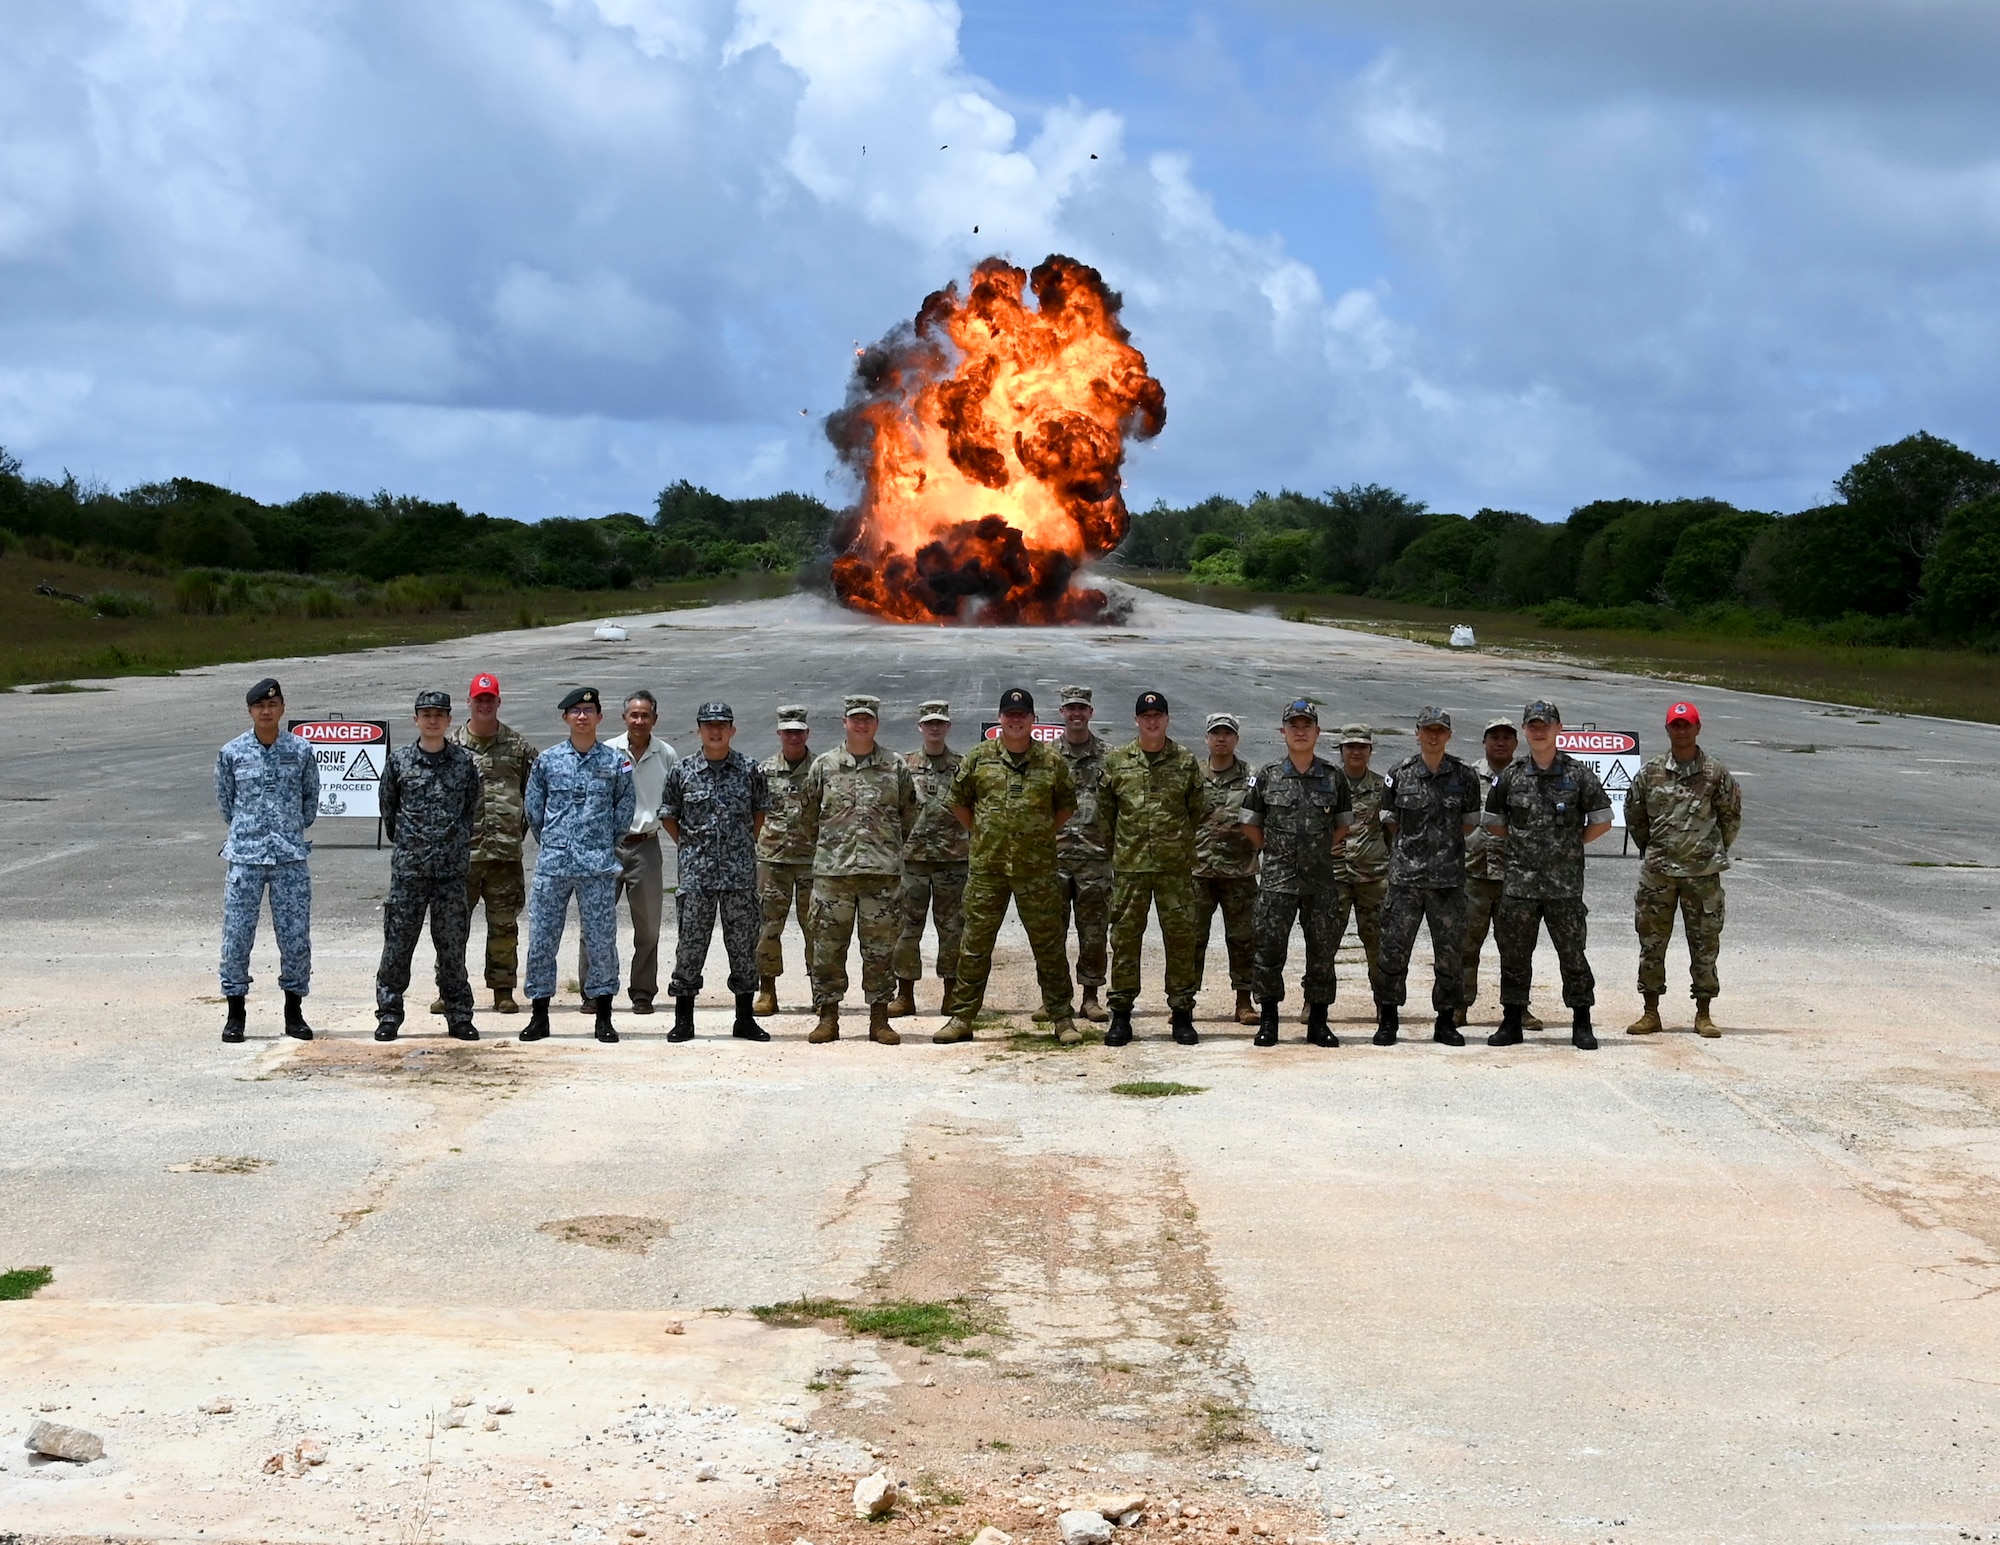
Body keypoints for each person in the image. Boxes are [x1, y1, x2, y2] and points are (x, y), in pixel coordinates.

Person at [938, 688, 1082, 1045]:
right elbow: (958, 802)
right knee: (974, 944)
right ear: (1000, 718)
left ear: (1033, 719)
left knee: (1048, 944)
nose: (1015, 719)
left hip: (1037, 870)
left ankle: (1062, 1018)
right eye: (1009, 713)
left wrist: (1041, 833)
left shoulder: (1051, 761)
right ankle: (962, 1017)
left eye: (1022, 714)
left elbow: (1066, 806)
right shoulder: (979, 758)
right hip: (989, 869)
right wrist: (981, 831)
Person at [1482, 701, 1613, 1051]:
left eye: (1546, 724)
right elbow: (1494, 823)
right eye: (1533, 725)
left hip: (1564, 886)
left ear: (1559, 728)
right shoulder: (1511, 775)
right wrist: (1526, 846)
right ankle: (1512, 1021)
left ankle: (1582, 1021)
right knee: (1514, 956)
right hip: (1520, 885)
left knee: (1573, 954)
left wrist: (1569, 844)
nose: (1539, 730)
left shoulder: (1577, 775)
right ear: (1525, 730)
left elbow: (1602, 821)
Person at [519, 688, 636, 1045]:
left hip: (597, 865)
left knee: (601, 941)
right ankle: (540, 1015)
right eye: (575, 711)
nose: (582, 716)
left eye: (589, 710)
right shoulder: (548, 761)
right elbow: (534, 811)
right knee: (542, 940)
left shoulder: (617, 762)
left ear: (600, 717)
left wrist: (600, 844)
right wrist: (556, 843)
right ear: (565, 718)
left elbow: (624, 810)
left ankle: (603, 1015)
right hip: (554, 864)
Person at [800, 694, 918, 1045]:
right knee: (827, 949)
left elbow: (909, 815)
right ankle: (828, 1016)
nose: (861, 724)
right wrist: (832, 850)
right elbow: (808, 818)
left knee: (881, 950)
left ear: (876, 724)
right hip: (834, 875)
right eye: (855, 719)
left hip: (881, 875)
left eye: (868, 719)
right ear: (845, 722)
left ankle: (879, 1019)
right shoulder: (824, 765)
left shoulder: (894, 766)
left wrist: (886, 849)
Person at [1625, 700, 1743, 1038]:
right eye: (1675, 725)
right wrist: (1653, 850)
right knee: (1651, 942)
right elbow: (1635, 817)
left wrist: (1709, 850)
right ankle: (1650, 1011)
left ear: (1697, 728)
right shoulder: (1650, 772)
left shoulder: (1715, 773)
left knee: (1705, 944)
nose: (1681, 731)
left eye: (1687, 724)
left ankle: (1703, 1012)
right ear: (1667, 729)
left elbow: (1730, 817)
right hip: (1659, 873)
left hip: (1702, 875)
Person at [214, 676, 320, 1042]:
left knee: (294, 936)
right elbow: (227, 804)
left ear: (282, 709)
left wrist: (285, 830)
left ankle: (294, 1011)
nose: (266, 711)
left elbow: (310, 803)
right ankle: (235, 1014)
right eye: (260, 706)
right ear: (250, 710)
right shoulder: (232, 753)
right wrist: (252, 832)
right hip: (246, 856)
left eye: (272, 705)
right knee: (237, 936)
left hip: (289, 856)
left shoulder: (302, 751)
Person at [1242, 699, 1352, 1048]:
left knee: (1321, 953)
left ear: (1318, 732)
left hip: (1320, 881)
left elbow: (1341, 826)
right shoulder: (1267, 775)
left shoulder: (1333, 777)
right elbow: (1250, 824)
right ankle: (1270, 1020)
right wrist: (1273, 852)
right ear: (1283, 732)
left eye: (1307, 725)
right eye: (1294, 725)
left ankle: (1318, 1022)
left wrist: (1315, 852)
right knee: (1269, 951)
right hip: (1277, 881)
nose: (1300, 731)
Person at [373, 691, 482, 1042]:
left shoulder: (464, 763)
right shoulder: (399, 762)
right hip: (410, 872)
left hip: (451, 873)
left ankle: (459, 1014)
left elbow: (471, 810)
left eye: (439, 714)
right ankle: (389, 1013)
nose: (432, 720)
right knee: (398, 945)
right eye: (426, 714)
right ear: (415, 719)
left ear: (450, 720)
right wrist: (412, 846)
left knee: (452, 948)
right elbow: (389, 813)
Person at [659, 702, 771, 1042]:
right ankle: (683, 1021)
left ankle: (744, 1019)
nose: (715, 730)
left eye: (722, 724)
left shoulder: (750, 769)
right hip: (697, 876)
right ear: (699, 729)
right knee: (690, 947)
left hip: (739, 875)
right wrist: (691, 848)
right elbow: (669, 815)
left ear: (733, 729)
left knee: (743, 947)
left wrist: (740, 846)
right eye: (709, 725)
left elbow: (759, 814)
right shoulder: (682, 771)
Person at [1101, 691, 1208, 1047]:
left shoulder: (1185, 761)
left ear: (1167, 719)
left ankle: (1181, 1014)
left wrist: (1174, 843)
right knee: (1125, 940)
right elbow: (1106, 814)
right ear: (1136, 720)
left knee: (1180, 941)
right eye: (1145, 715)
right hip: (1131, 868)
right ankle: (1120, 1015)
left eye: (1158, 715)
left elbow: (1196, 811)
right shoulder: (1117, 761)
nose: (1152, 721)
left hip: (1173, 869)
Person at [1374, 706, 1481, 1047]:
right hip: (1405, 880)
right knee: (1393, 952)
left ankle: (1446, 1021)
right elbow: (1390, 820)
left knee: (1449, 955)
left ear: (1448, 735)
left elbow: (1469, 822)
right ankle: (1388, 1018)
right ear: (1417, 733)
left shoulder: (1464, 776)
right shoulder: (1399, 773)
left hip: (1447, 881)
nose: (1433, 736)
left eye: (1440, 730)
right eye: (1427, 729)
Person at [577, 690, 675, 1014]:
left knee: (647, 926)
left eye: (645, 715)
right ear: (624, 718)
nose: (639, 720)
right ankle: (593, 992)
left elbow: (675, 803)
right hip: (607, 845)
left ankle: (643, 992)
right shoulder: (605, 753)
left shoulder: (666, 755)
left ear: (655, 719)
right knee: (595, 921)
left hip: (645, 845)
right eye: (633, 714)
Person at [448, 673, 538, 1014]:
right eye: (478, 699)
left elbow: (538, 794)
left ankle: (503, 990)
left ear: (498, 702)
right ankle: (451, 989)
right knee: (453, 927)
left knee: (504, 926)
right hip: (462, 856)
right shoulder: (452, 747)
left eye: (490, 699)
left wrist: (517, 830)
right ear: (469, 702)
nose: (484, 704)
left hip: (504, 855)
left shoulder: (518, 748)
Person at [889, 700, 967, 1018]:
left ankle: (951, 993)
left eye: (940, 723)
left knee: (953, 929)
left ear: (948, 727)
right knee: (906, 929)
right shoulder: (903, 765)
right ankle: (904, 994)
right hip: (913, 860)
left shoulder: (964, 766)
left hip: (953, 860)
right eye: (929, 723)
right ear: (920, 727)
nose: (934, 728)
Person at [1460, 717, 1538, 1030]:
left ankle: (1518, 1008)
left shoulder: (1527, 776)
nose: (1501, 742)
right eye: (1495, 737)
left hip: (1513, 877)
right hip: (1473, 874)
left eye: (1507, 737)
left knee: (1517, 949)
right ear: (1485, 741)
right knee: (1465, 947)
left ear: (1516, 743)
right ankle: (1459, 1006)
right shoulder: (1467, 776)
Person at [1192, 711, 1260, 1026]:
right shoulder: (1191, 774)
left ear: (1236, 738)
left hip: (1240, 874)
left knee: (1244, 939)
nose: (1221, 738)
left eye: (1227, 733)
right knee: (1191, 939)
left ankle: (1244, 1001)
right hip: (1198, 871)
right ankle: (1184, 1000)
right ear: (1207, 738)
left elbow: (1264, 818)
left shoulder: (1252, 777)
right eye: (1216, 733)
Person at [1054, 684, 1113, 1023]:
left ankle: (1091, 997)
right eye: (1070, 708)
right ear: (1061, 712)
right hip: (1055, 856)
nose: (1076, 713)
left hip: (1095, 857)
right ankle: (1055, 997)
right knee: (1052, 932)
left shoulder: (1109, 756)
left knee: (1094, 932)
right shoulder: (1046, 756)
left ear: (1090, 713)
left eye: (1081, 708)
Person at [753, 704, 817, 1016]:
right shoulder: (763, 771)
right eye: (788, 731)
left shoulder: (821, 769)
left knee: (817, 927)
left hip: (811, 862)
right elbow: (753, 814)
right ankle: (767, 990)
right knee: (767, 926)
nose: (793, 736)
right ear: (779, 733)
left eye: (799, 731)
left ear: (807, 733)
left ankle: (822, 990)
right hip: (773, 860)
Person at [1328, 724, 1390, 1013]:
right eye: (1350, 746)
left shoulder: (1382, 787)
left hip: (1372, 877)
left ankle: (1384, 1003)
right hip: (1334, 876)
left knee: (1379, 945)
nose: (1356, 751)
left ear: (1370, 751)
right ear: (1341, 751)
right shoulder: (1328, 784)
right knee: (1324, 943)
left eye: (1361, 747)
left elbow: (1391, 831)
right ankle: (1314, 1002)